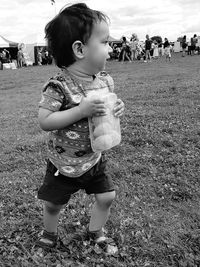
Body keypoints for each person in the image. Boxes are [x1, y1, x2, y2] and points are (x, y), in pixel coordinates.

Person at [37, 3, 124, 255]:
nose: (110, 49)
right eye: (105, 42)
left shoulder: (105, 80)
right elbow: (45, 120)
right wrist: (80, 111)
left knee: (107, 196)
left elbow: (108, 108)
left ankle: (96, 231)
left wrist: (117, 107)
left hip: (94, 158)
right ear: (80, 49)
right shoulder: (58, 86)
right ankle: (49, 234)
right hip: (63, 163)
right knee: (53, 204)